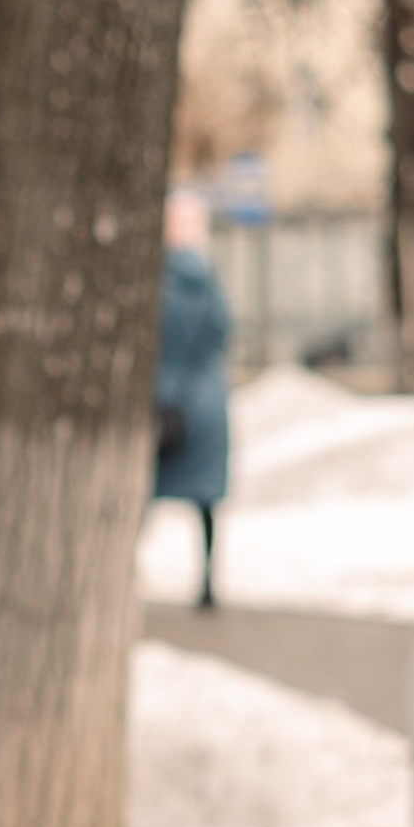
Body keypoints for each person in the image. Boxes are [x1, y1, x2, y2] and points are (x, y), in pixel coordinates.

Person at [154, 185, 233, 610]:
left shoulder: (158, 282)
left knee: (142, 491)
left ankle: (129, 571)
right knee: (205, 500)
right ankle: (206, 582)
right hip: (206, 401)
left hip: (160, 400)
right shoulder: (209, 280)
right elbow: (222, 331)